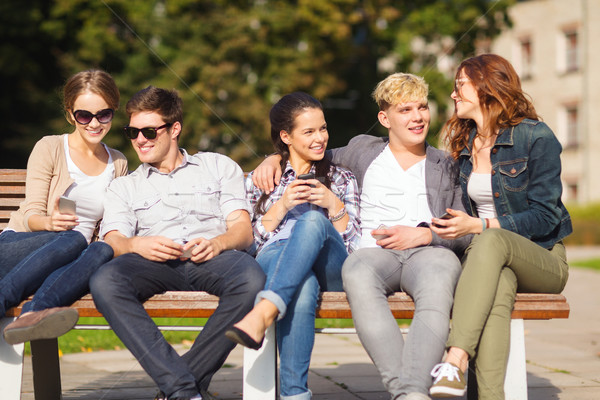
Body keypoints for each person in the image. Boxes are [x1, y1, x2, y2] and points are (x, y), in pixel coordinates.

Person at [251, 73, 471, 400]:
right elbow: (309, 150)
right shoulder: (361, 151)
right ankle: (411, 392)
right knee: (356, 272)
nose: (418, 117)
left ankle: (409, 392)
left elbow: (464, 232)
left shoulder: (446, 164)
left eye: (422, 107)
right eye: (405, 110)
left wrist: (425, 235)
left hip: (429, 253)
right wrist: (274, 157)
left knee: (438, 284)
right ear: (385, 118)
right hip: (372, 256)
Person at [89, 86, 265, 400]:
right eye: (133, 132)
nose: (140, 139)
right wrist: (135, 246)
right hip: (151, 262)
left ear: (175, 129)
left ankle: (179, 386)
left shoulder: (218, 166)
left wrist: (219, 243)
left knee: (251, 278)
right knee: (105, 280)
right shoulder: (124, 187)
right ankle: (184, 389)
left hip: (212, 257)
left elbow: (242, 229)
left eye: (149, 131)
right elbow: (113, 239)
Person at [427, 54, 571, 399]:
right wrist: (282, 153)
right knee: (497, 292)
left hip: (543, 257)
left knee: (490, 239)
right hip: (492, 263)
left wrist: (481, 224)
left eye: (460, 85)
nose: (453, 94)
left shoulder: (535, 137)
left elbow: (546, 218)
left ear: (486, 86)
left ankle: (455, 356)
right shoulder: (464, 145)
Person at [224, 92, 360, 400]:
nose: (320, 138)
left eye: (323, 128)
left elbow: (355, 248)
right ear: (285, 136)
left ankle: (264, 310)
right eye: (309, 131)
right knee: (302, 285)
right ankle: (295, 395)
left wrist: (333, 205)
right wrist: (281, 206)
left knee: (311, 222)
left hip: (332, 265)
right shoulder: (260, 181)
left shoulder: (340, 177)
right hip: (274, 259)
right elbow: (248, 247)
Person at [0, 69, 128, 345]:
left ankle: (30, 318)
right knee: (72, 238)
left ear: (113, 112)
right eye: (84, 115)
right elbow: (31, 213)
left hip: (71, 260)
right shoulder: (50, 147)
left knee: (102, 248)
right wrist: (49, 223)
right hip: (21, 246)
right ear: (71, 114)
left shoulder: (118, 163)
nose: (94, 123)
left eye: (104, 114)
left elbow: (113, 225)